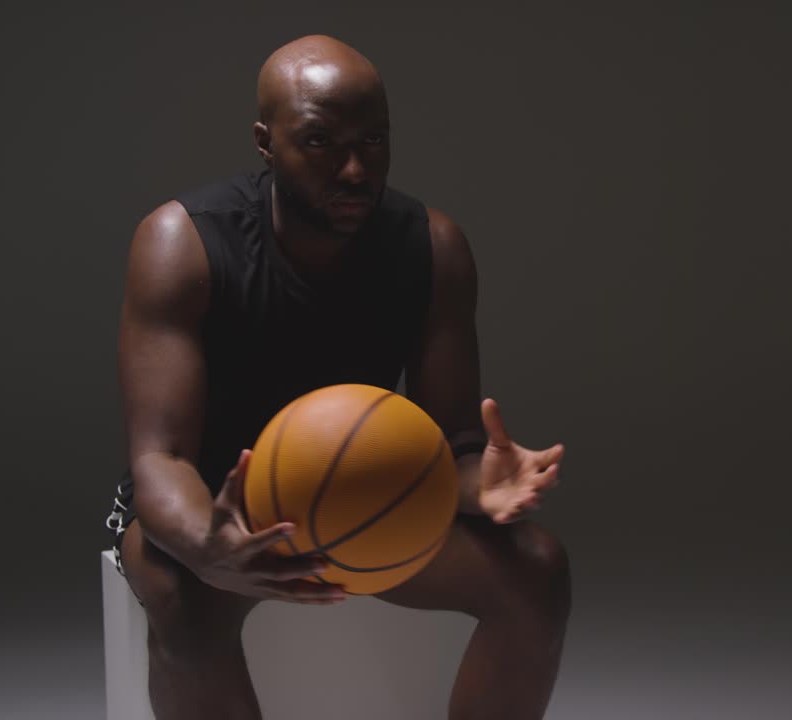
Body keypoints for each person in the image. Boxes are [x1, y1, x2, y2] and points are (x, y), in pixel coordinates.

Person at [103, 34, 570, 720]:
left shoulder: (432, 247)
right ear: (266, 142)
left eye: (374, 141)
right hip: (219, 509)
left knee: (536, 568)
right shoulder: (183, 243)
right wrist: (209, 545)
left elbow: (456, 442)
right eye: (321, 143)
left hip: (362, 501)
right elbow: (160, 458)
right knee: (183, 602)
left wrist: (479, 481)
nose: (356, 170)